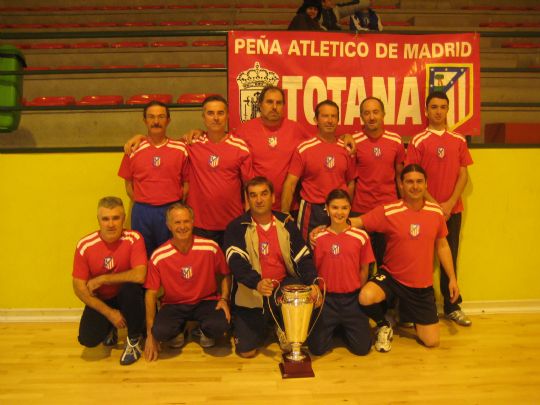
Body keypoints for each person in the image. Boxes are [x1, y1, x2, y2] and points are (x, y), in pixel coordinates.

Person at [349, 164, 460, 350]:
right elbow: (358, 222)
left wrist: (452, 278)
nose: (414, 186)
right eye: (409, 181)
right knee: (366, 296)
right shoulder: (389, 211)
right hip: (392, 278)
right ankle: (383, 323)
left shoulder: (435, 213)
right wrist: (328, 226)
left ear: (426, 185)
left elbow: (442, 246)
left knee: (432, 342)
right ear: (401, 184)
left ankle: (409, 314)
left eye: (419, 182)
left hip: (421, 287)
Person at [223, 176, 320, 358]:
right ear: (247, 199)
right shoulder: (236, 227)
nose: (259, 200)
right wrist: (256, 282)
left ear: (273, 197)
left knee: (298, 338)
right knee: (247, 352)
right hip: (253, 292)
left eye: (264, 194)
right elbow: (237, 263)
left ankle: (280, 322)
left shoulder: (286, 223)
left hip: (282, 289)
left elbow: (303, 257)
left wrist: (313, 282)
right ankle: (269, 323)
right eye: (253, 195)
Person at [405, 91, 473, 327]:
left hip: (452, 210)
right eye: (434, 107)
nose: (438, 111)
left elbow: (464, 174)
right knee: (417, 259)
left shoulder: (458, 140)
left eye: (443, 107)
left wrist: (450, 203)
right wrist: (435, 205)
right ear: (426, 110)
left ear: (447, 109)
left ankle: (452, 306)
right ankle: (411, 310)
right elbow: (412, 177)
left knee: (449, 258)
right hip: (424, 210)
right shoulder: (418, 140)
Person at [144, 203, 231, 362]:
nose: (182, 226)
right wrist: (150, 334)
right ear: (169, 225)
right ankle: (179, 331)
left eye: (186, 221)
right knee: (161, 332)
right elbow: (150, 294)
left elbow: (226, 274)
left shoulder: (210, 247)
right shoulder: (159, 256)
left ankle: (203, 331)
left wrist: (224, 299)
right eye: (177, 222)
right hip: (173, 304)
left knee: (220, 327)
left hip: (206, 301)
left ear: (193, 222)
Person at [72, 196, 147, 366]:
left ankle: (134, 340)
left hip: (128, 298)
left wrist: (103, 279)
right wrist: (109, 313)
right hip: (103, 300)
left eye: (116, 218)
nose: (111, 224)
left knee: (130, 288)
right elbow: (79, 288)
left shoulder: (134, 238)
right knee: (88, 339)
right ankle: (109, 328)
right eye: (105, 219)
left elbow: (140, 275)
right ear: (98, 220)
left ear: (124, 218)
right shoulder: (85, 245)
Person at [307, 189, 374, 356]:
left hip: (352, 299)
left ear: (350, 208)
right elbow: (313, 269)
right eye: (335, 207)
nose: (339, 212)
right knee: (316, 349)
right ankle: (336, 328)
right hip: (327, 300)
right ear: (327, 209)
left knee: (362, 349)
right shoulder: (317, 237)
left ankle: (344, 328)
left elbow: (364, 268)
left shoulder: (361, 236)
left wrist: (359, 292)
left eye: (344, 208)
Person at [118, 101, 188, 257]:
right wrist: (144, 201)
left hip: (171, 210)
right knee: (143, 256)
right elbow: (128, 184)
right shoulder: (133, 149)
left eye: (161, 116)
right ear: (145, 120)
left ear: (168, 120)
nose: (156, 121)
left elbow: (186, 183)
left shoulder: (180, 149)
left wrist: (175, 205)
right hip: (143, 211)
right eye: (151, 117)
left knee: (170, 256)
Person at [184, 95, 253, 247]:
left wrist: (249, 219)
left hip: (232, 222)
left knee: (231, 269)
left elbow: (249, 186)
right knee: (204, 270)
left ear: (227, 116)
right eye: (210, 113)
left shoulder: (240, 147)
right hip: (199, 224)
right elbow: (162, 144)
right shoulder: (191, 144)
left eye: (220, 113)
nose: (216, 118)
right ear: (203, 117)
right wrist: (140, 138)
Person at [281, 99, 356, 240]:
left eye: (333, 116)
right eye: (325, 116)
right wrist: (284, 212)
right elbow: (290, 183)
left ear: (338, 120)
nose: (330, 120)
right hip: (312, 211)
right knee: (309, 253)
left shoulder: (347, 149)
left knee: (337, 251)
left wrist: (346, 207)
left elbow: (350, 183)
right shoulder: (304, 148)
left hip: (338, 210)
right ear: (316, 119)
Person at [352, 97, 405, 270]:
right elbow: (350, 180)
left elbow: (400, 177)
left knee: (387, 264)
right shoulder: (353, 141)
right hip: (361, 210)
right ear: (361, 116)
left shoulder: (395, 140)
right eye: (366, 113)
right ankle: (363, 297)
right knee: (363, 266)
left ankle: (386, 298)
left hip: (388, 210)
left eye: (375, 112)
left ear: (383, 114)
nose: (372, 117)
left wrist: (405, 206)